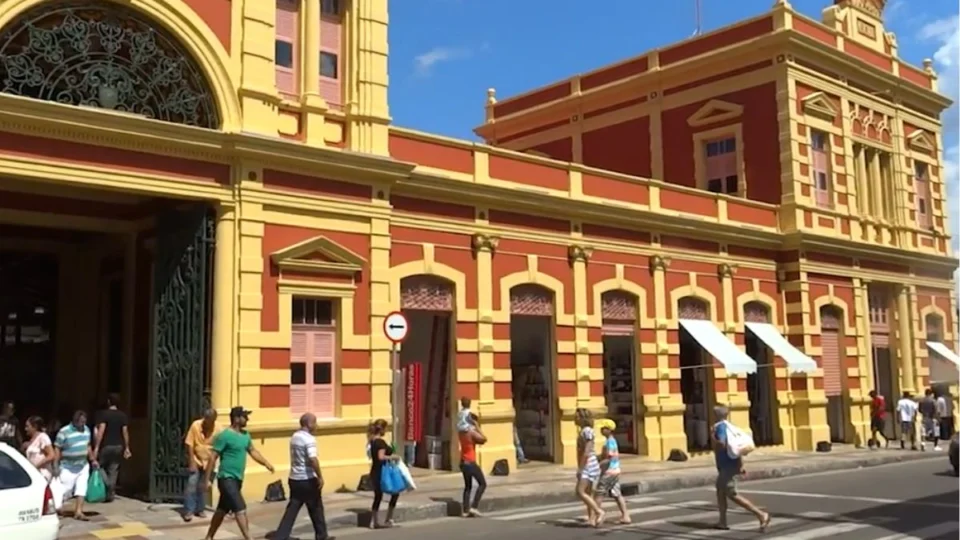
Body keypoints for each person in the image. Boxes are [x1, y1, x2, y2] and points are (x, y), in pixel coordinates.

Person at [202, 406, 275, 540]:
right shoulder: (225, 436)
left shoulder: (245, 435)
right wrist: (207, 479)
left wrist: (266, 463)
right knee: (240, 508)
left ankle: (209, 536)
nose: (247, 419)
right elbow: (213, 457)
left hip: (237, 479)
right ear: (236, 419)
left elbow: (253, 451)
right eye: (244, 416)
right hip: (226, 478)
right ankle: (248, 538)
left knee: (221, 510)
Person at [273, 413, 331, 540]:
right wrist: (320, 476)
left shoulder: (294, 437)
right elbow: (313, 459)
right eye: (315, 422)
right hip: (307, 479)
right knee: (316, 508)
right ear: (308, 424)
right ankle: (322, 535)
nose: (316, 425)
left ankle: (281, 535)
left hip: (294, 478)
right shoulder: (309, 439)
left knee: (292, 509)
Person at [712, 406, 770, 532]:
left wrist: (712, 437)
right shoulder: (728, 427)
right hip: (729, 465)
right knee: (720, 492)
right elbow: (735, 448)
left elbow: (722, 443)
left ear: (716, 415)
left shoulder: (720, 427)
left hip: (728, 466)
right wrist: (741, 464)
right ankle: (722, 521)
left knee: (731, 493)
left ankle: (760, 514)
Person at [55, 410, 96, 521]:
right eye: (80, 422)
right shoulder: (64, 431)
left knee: (81, 488)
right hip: (67, 466)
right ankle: (55, 506)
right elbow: (57, 448)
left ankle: (78, 511)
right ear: (75, 421)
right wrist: (55, 464)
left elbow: (88, 446)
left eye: (84, 422)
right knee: (66, 489)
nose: (82, 424)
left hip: (82, 465)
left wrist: (92, 459)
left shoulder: (86, 430)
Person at [183, 408, 219, 522]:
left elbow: (219, 448)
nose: (207, 425)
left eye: (210, 422)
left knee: (203, 486)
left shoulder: (219, 429)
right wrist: (192, 462)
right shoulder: (196, 425)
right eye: (206, 421)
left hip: (209, 461)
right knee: (191, 484)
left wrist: (213, 464)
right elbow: (189, 444)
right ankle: (189, 510)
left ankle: (200, 509)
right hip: (197, 459)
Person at [93, 393, 131, 502]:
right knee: (113, 469)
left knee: (98, 466)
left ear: (108, 401)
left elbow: (101, 430)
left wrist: (96, 447)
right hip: (118, 446)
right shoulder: (122, 416)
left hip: (106, 445)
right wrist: (127, 447)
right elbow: (125, 432)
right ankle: (111, 494)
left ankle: (108, 485)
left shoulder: (104, 414)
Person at [593, 419, 630, 525]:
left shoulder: (610, 442)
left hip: (609, 472)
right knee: (617, 494)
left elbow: (609, 458)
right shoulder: (610, 441)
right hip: (615, 471)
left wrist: (598, 465)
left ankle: (598, 516)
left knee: (599, 493)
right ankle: (625, 516)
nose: (601, 430)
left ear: (609, 430)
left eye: (603, 428)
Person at [574, 408, 605, 527]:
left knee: (580, 491)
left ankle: (599, 512)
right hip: (591, 464)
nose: (575, 419)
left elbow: (586, 451)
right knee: (588, 493)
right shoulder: (586, 431)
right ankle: (591, 519)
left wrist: (580, 468)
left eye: (577, 417)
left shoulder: (586, 431)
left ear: (582, 418)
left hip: (588, 465)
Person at [368, 419, 401, 529]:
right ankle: (389, 519)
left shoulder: (372, 441)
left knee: (378, 496)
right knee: (395, 492)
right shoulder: (380, 442)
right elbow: (381, 457)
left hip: (375, 471)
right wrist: (393, 456)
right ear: (382, 429)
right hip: (383, 472)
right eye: (385, 428)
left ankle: (374, 521)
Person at [459, 413, 487, 517]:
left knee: (468, 486)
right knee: (482, 484)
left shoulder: (461, 432)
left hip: (463, 462)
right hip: (470, 462)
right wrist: (477, 427)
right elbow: (484, 439)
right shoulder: (471, 432)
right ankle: (474, 507)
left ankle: (465, 511)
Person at [24, 416, 56, 482]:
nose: (25, 429)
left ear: (34, 426)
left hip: (42, 473)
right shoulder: (31, 440)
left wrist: (37, 465)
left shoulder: (43, 437)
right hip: (33, 473)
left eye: (27, 426)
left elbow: (51, 455)